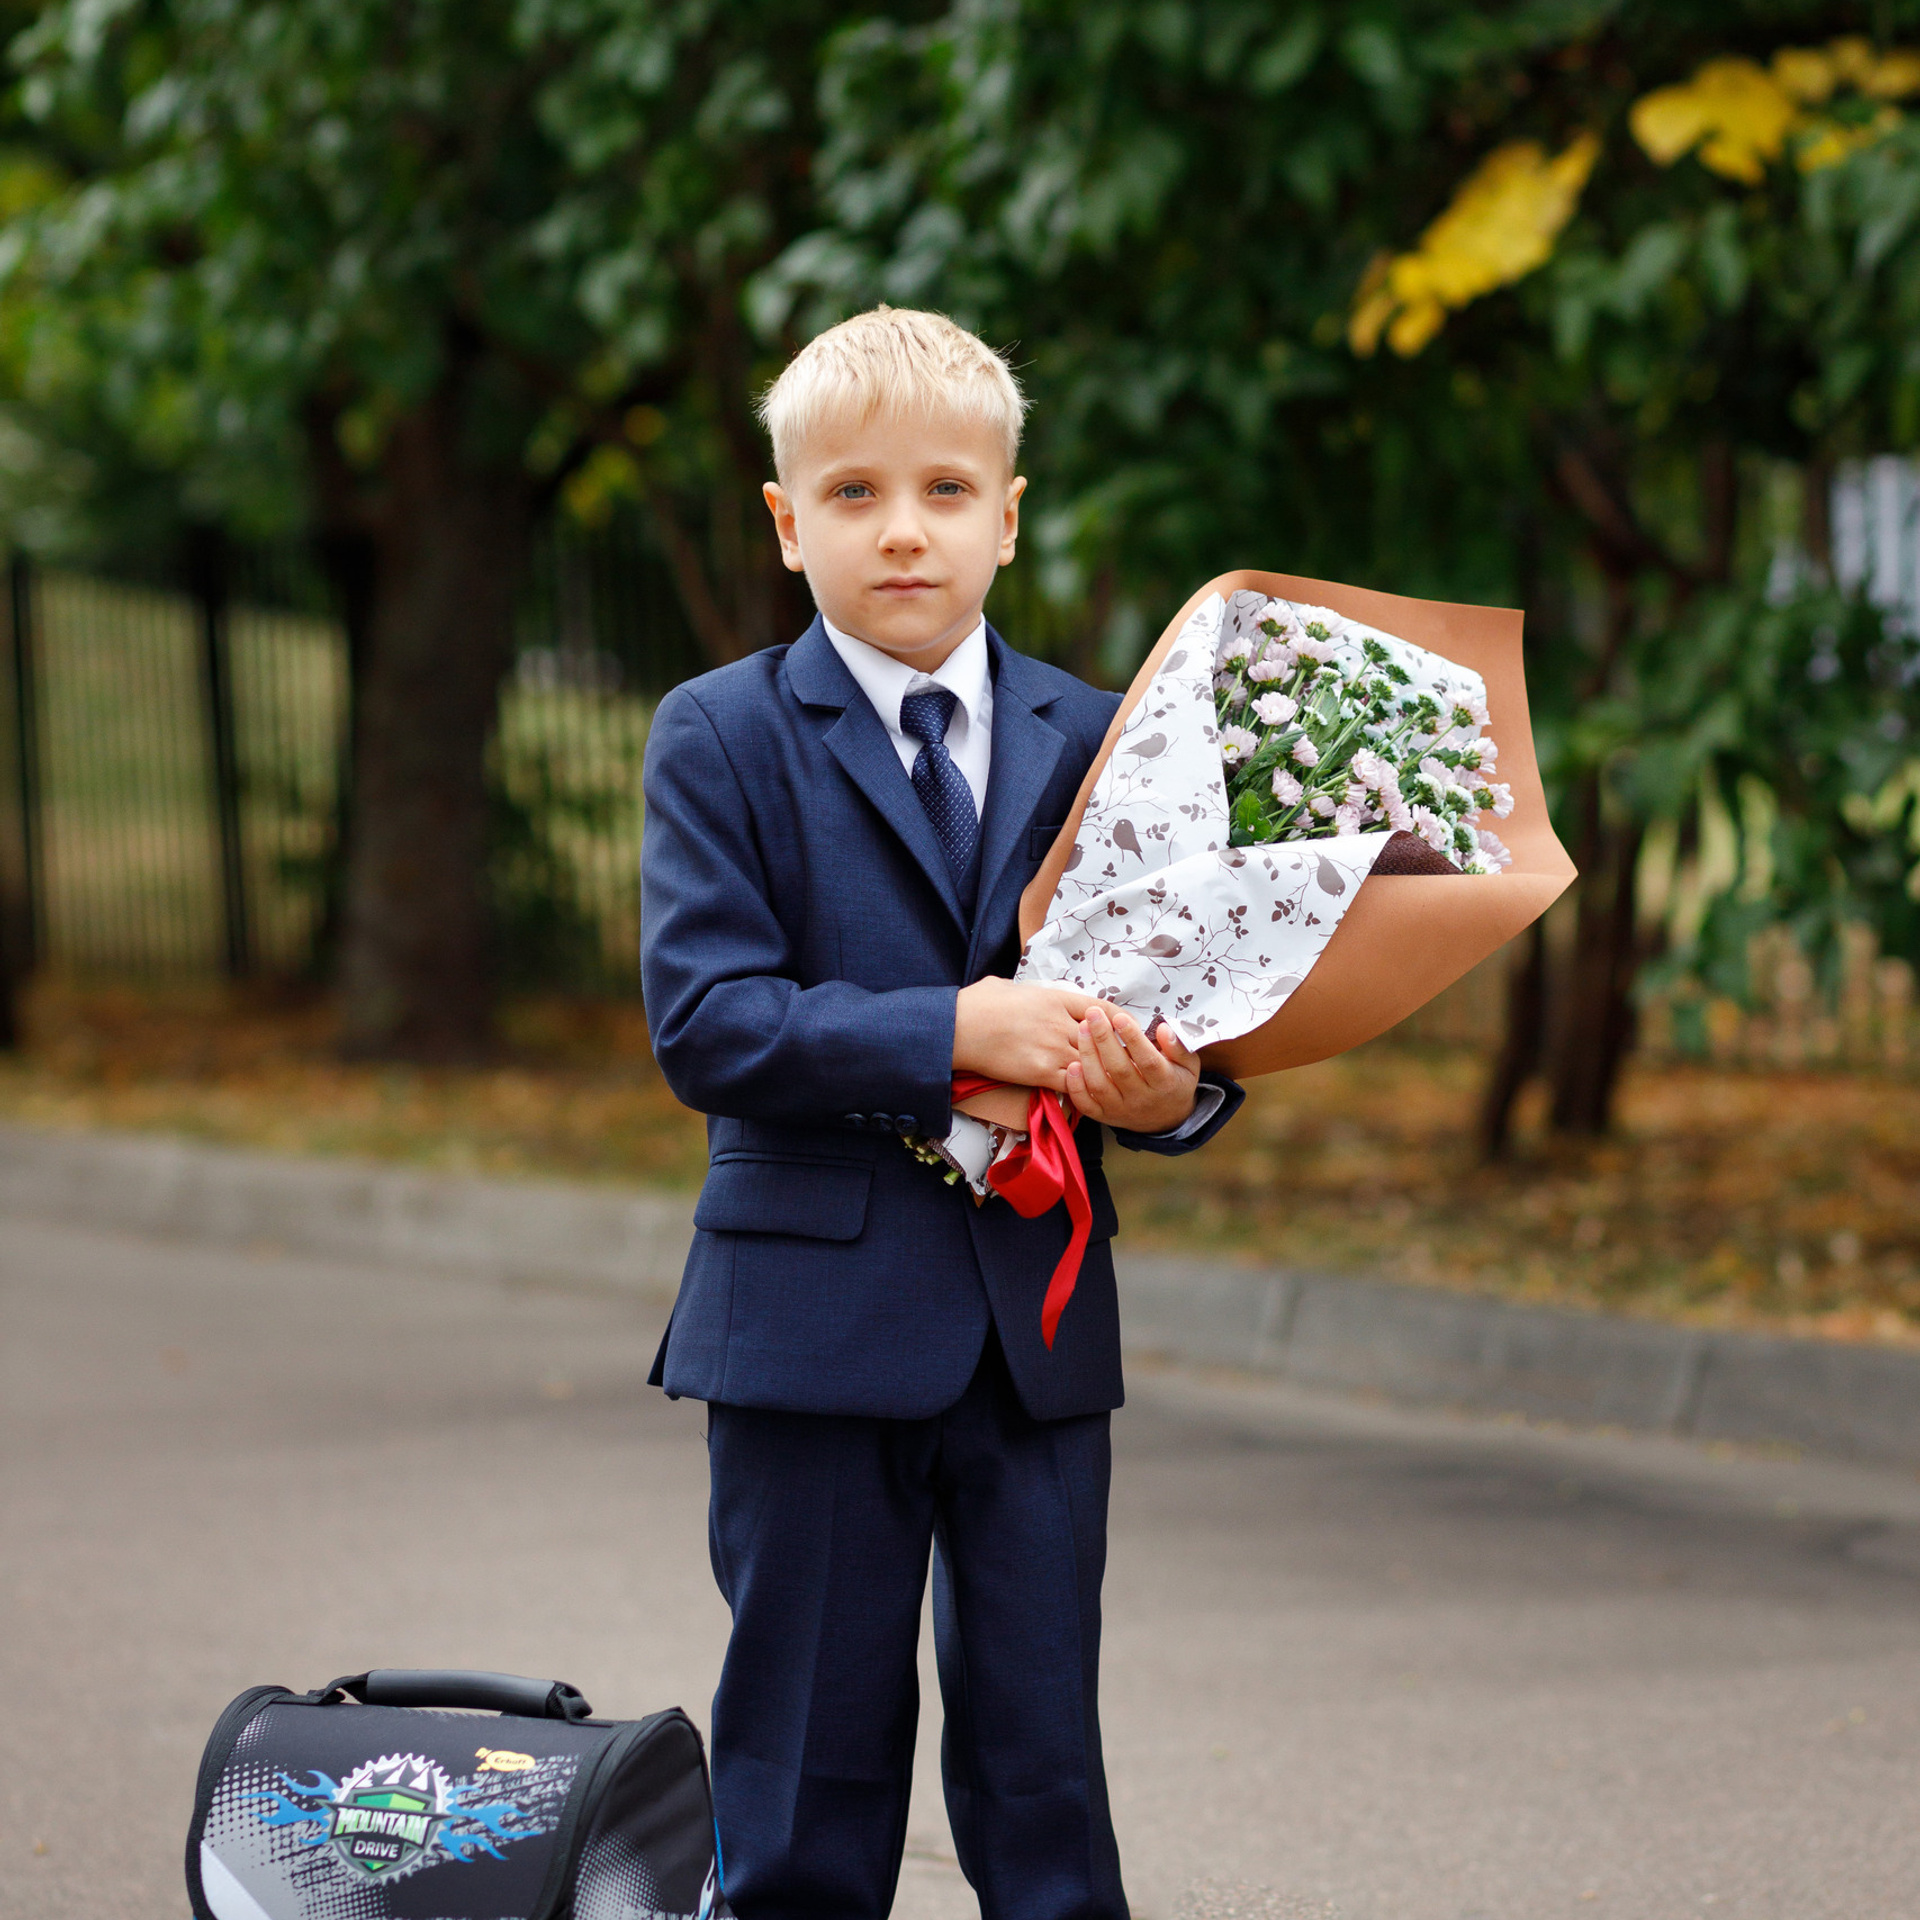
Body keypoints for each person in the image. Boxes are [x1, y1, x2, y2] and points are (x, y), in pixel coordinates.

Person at [640, 305, 1244, 1920]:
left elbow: (1194, 992)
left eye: (944, 492)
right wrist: (957, 1026)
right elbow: (707, 1022)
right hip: (809, 1330)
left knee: (1046, 1767)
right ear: (785, 522)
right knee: (808, 1772)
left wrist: (1171, 1093)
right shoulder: (721, 733)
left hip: (1034, 1330)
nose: (903, 528)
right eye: (851, 496)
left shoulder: (1099, 731)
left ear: (1010, 512)